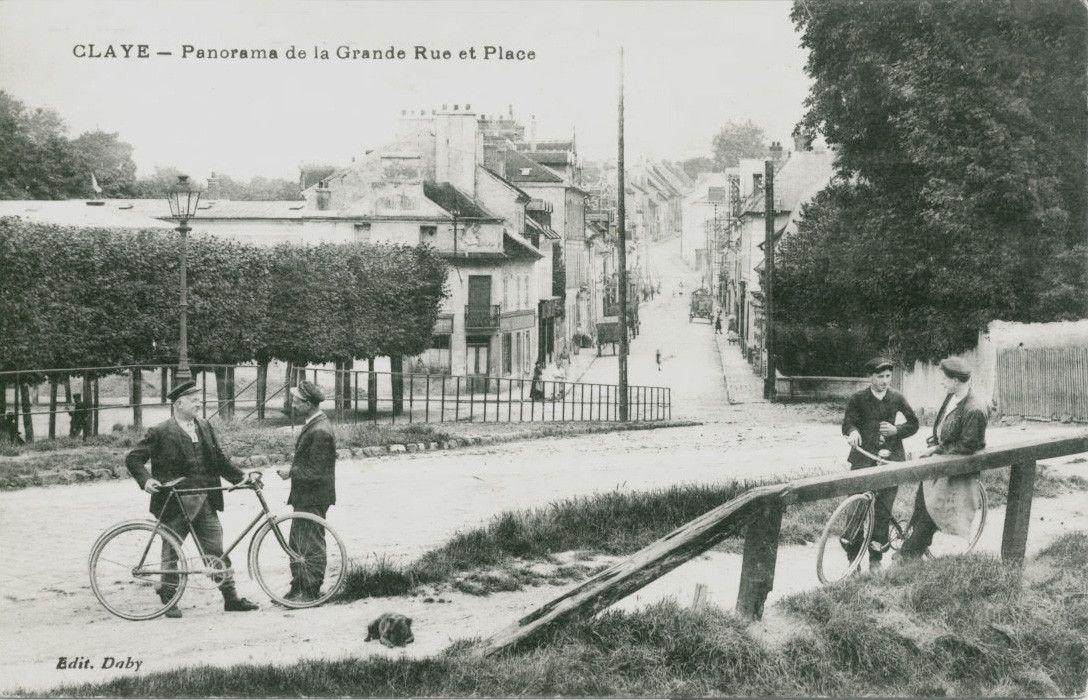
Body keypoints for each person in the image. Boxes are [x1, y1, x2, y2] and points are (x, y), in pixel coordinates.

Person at [126, 380, 260, 618]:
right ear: (179, 404)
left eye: (199, 399)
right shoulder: (160, 431)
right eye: (194, 400)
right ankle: (170, 599)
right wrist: (146, 480)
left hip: (205, 501)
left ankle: (231, 598)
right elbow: (134, 458)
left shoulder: (205, 426)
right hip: (174, 503)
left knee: (217, 549)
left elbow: (219, 460)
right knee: (171, 553)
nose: (199, 403)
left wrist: (242, 478)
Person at [900, 357, 988, 558]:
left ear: (956, 381)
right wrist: (935, 448)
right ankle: (913, 547)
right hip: (942, 459)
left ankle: (907, 556)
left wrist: (938, 450)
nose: (942, 382)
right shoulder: (953, 396)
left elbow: (966, 446)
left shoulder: (974, 409)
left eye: (945, 379)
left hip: (956, 467)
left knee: (933, 510)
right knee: (921, 503)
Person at [841, 357, 919, 570]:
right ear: (870, 377)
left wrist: (897, 430)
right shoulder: (858, 399)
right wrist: (853, 432)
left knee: (883, 509)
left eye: (888, 376)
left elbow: (914, 424)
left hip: (889, 459)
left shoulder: (896, 398)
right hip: (863, 457)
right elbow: (848, 422)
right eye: (880, 376)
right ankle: (852, 559)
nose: (885, 381)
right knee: (856, 507)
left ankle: (876, 559)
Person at [276, 381, 336, 603]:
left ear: (308, 404)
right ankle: (298, 587)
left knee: (311, 542)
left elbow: (317, 471)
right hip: (306, 496)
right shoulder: (314, 423)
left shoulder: (320, 430)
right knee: (298, 542)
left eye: (297, 401)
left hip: (314, 496)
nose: (293, 404)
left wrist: (290, 472)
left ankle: (310, 591)